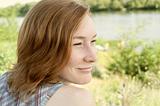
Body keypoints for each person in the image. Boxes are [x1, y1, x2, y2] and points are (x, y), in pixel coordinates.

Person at [0, 0, 97, 105]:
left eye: (93, 41)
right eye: (77, 44)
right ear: (44, 47)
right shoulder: (76, 99)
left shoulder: (4, 81)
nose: (92, 57)